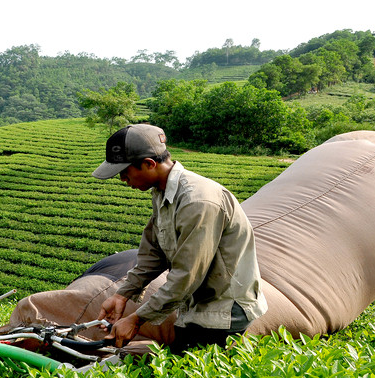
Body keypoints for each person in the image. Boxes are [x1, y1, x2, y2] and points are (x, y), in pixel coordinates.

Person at [93, 124, 268, 353]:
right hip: (196, 305)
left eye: (125, 172)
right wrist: (123, 294)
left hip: (223, 311)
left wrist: (136, 319)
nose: (123, 179)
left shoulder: (197, 202)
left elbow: (187, 275)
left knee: (191, 376)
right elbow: (153, 252)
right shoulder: (162, 192)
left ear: (149, 164)